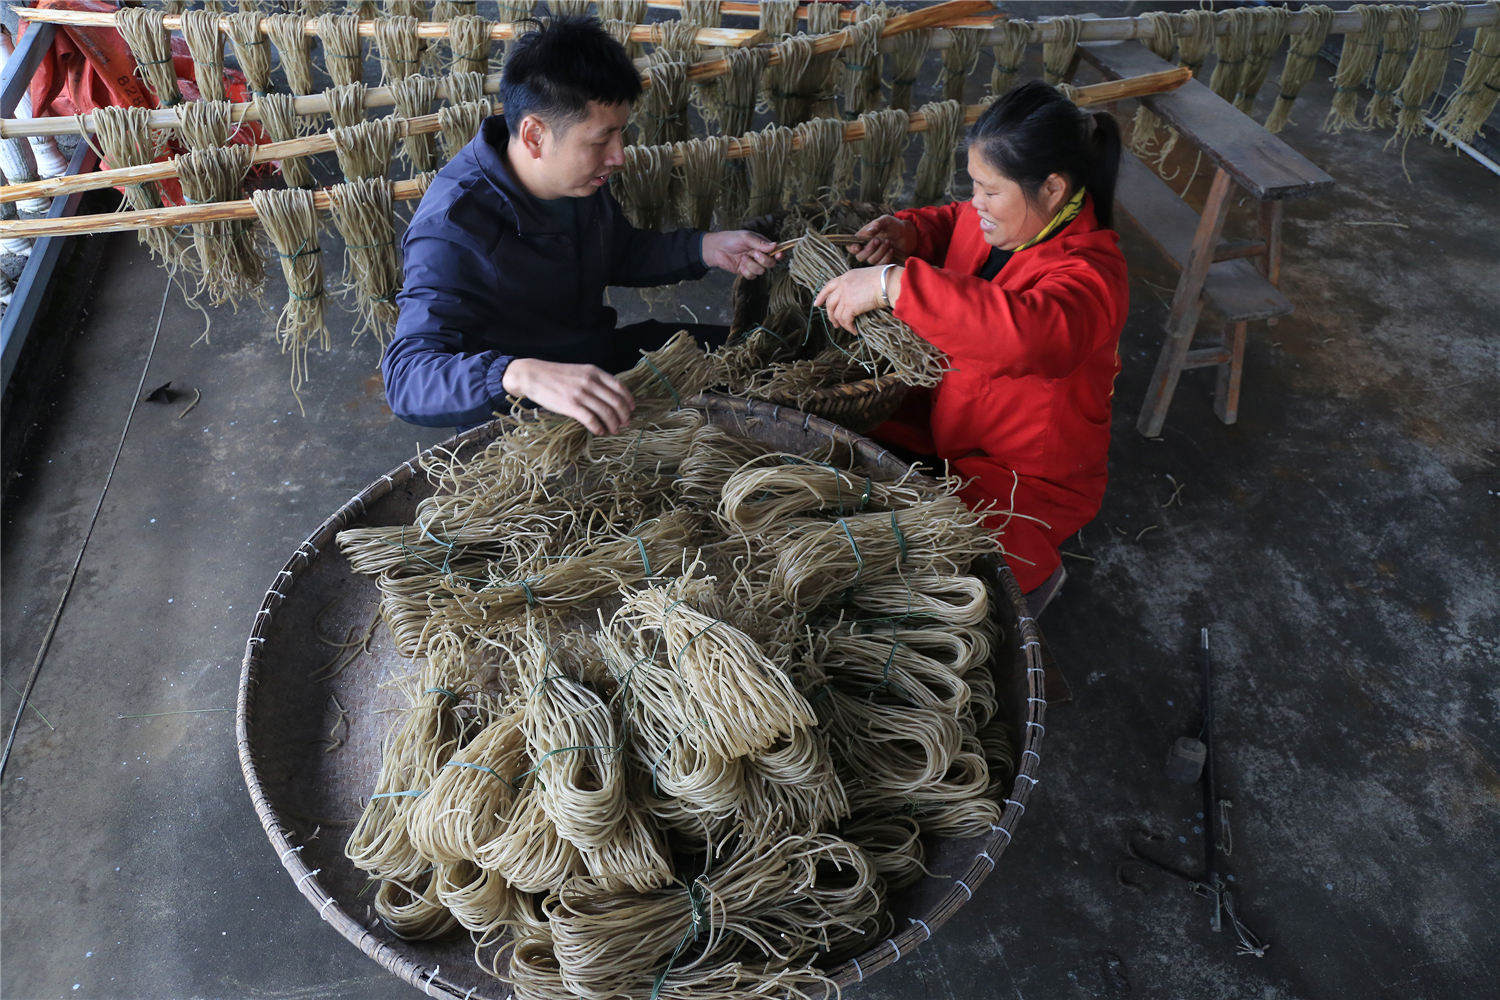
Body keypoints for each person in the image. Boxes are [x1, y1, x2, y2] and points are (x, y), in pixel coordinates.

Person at [813, 81, 1128, 612]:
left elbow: (1030, 337)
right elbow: (955, 220)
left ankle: (1039, 581)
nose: (976, 202)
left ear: (1053, 189)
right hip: (951, 415)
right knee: (831, 451)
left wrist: (894, 284)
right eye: (974, 184)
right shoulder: (1008, 218)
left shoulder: (1093, 275)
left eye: (989, 190)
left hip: (1021, 476)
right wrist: (911, 233)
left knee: (932, 575)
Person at [383, 16, 779, 435]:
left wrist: (705, 248)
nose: (618, 156)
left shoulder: (575, 179)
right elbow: (407, 378)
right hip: (525, 416)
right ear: (534, 136)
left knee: (764, 353)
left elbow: (616, 251)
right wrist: (519, 374)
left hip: (597, 362)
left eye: (620, 134)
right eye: (600, 140)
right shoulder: (451, 229)